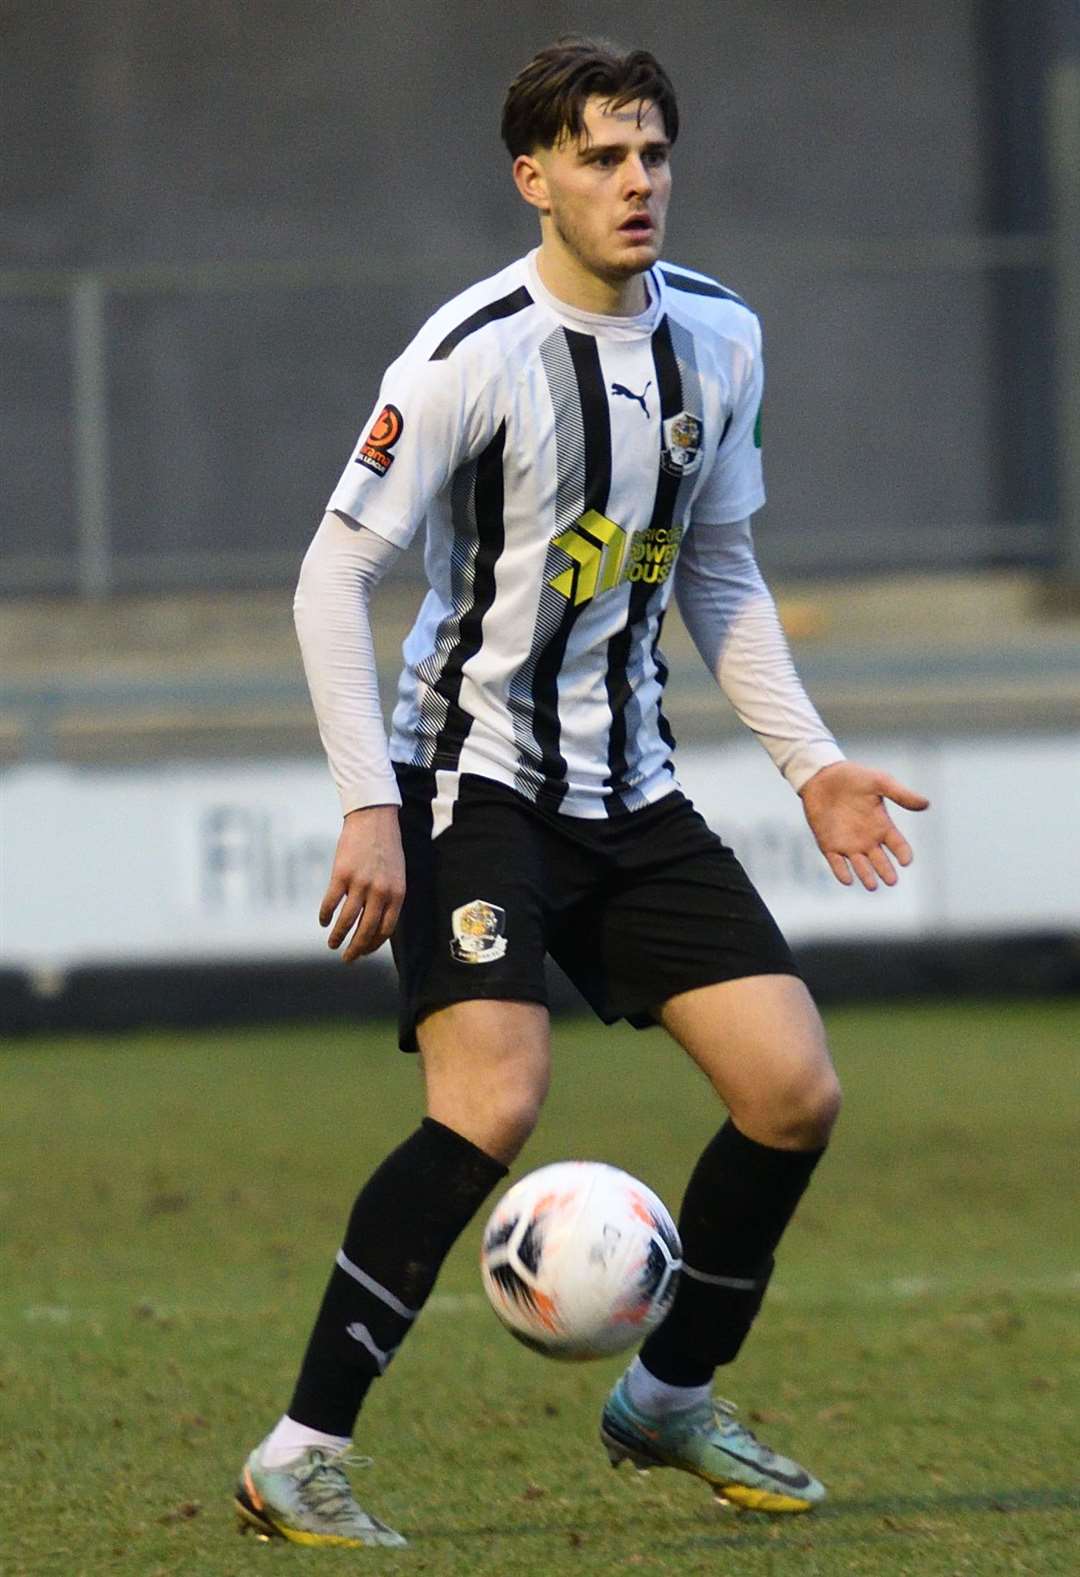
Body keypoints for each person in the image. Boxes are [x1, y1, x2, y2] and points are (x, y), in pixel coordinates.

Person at [234, 38, 929, 1548]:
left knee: (793, 1089)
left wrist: (811, 768)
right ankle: (298, 1448)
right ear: (533, 178)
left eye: (654, 155)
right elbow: (332, 570)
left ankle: (669, 1394)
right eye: (603, 158)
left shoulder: (725, 338)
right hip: (470, 774)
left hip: (636, 783)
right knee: (492, 1098)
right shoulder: (472, 348)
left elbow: (724, 569)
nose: (637, 183)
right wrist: (371, 803)